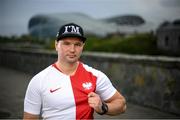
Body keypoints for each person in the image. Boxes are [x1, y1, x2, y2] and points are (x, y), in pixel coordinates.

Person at [23, 23, 126, 120]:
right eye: (66, 43)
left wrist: (103, 107)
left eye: (77, 44)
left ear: (83, 46)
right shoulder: (39, 80)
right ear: (56, 45)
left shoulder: (96, 76)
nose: (72, 49)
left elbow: (121, 104)